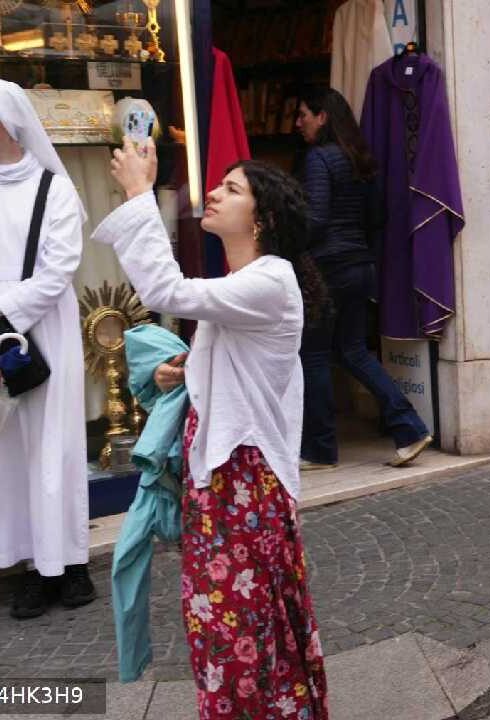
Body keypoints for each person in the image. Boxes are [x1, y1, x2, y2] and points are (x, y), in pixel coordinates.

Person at [98, 140, 330, 718]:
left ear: (264, 217)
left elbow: (167, 293)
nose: (216, 194)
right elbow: (232, 360)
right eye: (219, 185)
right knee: (229, 622)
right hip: (226, 477)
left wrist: (136, 193)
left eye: (233, 189)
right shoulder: (246, 283)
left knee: (236, 626)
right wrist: (185, 371)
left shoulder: (270, 279)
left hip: (244, 480)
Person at [294, 87, 432, 470]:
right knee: (353, 350)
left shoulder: (319, 159)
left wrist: (288, 238)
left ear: (322, 117)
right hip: (360, 267)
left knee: (315, 354)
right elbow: (376, 218)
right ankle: (410, 427)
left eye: (304, 114)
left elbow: (317, 218)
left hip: (328, 270)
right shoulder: (360, 160)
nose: (298, 123)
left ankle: (320, 450)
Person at [0, 80, 95, 619]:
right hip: (3, 334)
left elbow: (58, 269)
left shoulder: (54, 190)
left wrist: (3, 314)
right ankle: (32, 565)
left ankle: (71, 561)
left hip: (47, 336)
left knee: (54, 446)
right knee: (10, 452)